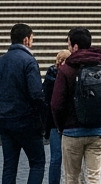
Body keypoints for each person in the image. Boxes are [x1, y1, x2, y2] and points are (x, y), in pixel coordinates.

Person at [49, 27, 101, 184]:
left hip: (71, 132)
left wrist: (61, 127)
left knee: (72, 178)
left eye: (69, 45)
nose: (69, 49)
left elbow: (56, 104)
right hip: (97, 130)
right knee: (93, 177)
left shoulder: (66, 69)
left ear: (75, 46)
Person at [0, 23, 46, 184]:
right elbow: (36, 95)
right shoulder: (29, 61)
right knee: (37, 162)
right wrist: (41, 119)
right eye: (32, 38)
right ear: (26, 39)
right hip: (26, 121)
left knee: (9, 166)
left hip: (4, 121)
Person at [43, 49, 70, 184]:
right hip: (60, 123)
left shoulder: (49, 78)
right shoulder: (65, 78)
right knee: (58, 157)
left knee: (56, 157)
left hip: (55, 123)